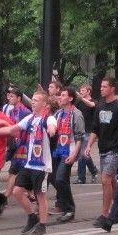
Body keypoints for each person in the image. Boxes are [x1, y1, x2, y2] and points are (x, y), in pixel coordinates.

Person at [0, 91, 57, 235]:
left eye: (37, 100)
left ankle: (42, 225)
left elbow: (52, 126)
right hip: (30, 163)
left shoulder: (48, 118)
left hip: (42, 165)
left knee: (40, 196)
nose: (33, 102)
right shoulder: (30, 118)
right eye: (33, 100)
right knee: (17, 191)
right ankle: (32, 217)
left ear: (44, 104)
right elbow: (12, 129)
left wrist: (51, 130)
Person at [83, 78, 118, 226]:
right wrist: (89, 146)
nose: (101, 89)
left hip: (115, 149)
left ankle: (105, 214)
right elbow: (95, 128)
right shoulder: (100, 106)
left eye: (104, 86)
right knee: (112, 182)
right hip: (103, 148)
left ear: (112, 88)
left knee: (105, 180)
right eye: (101, 86)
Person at [51, 86, 85, 223]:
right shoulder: (59, 113)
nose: (60, 97)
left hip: (69, 150)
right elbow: (50, 124)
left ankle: (69, 209)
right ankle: (63, 204)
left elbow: (79, 137)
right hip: (58, 150)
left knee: (60, 178)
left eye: (63, 95)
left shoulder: (77, 114)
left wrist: (75, 154)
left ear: (70, 98)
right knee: (54, 177)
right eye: (60, 95)